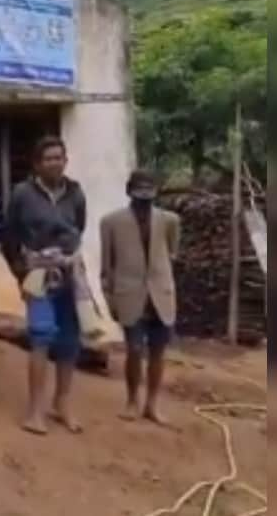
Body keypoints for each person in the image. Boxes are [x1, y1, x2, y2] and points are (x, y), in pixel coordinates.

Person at [2, 136, 87, 435]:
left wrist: (67, 258)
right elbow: (9, 235)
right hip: (36, 271)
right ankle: (35, 410)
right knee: (41, 334)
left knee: (70, 338)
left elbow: (79, 227)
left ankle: (62, 403)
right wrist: (19, 271)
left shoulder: (75, 193)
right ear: (37, 164)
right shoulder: (23, 194)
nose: (55, 162)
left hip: (70, 272)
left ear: (66, 160)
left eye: (59, 157)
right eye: (48, 158)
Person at [101, 169, 180, 425]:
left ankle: (152, 404)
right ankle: (132, 400)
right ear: (128, 192)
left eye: (149, 195)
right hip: (128, 293)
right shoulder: (111, 222)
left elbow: (172, 254)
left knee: (158, 351)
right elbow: (107, 266)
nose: (144, 201)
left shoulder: (170, 221)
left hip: (161, 294)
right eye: (139, 195)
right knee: (134, 349)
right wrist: (110, 298)